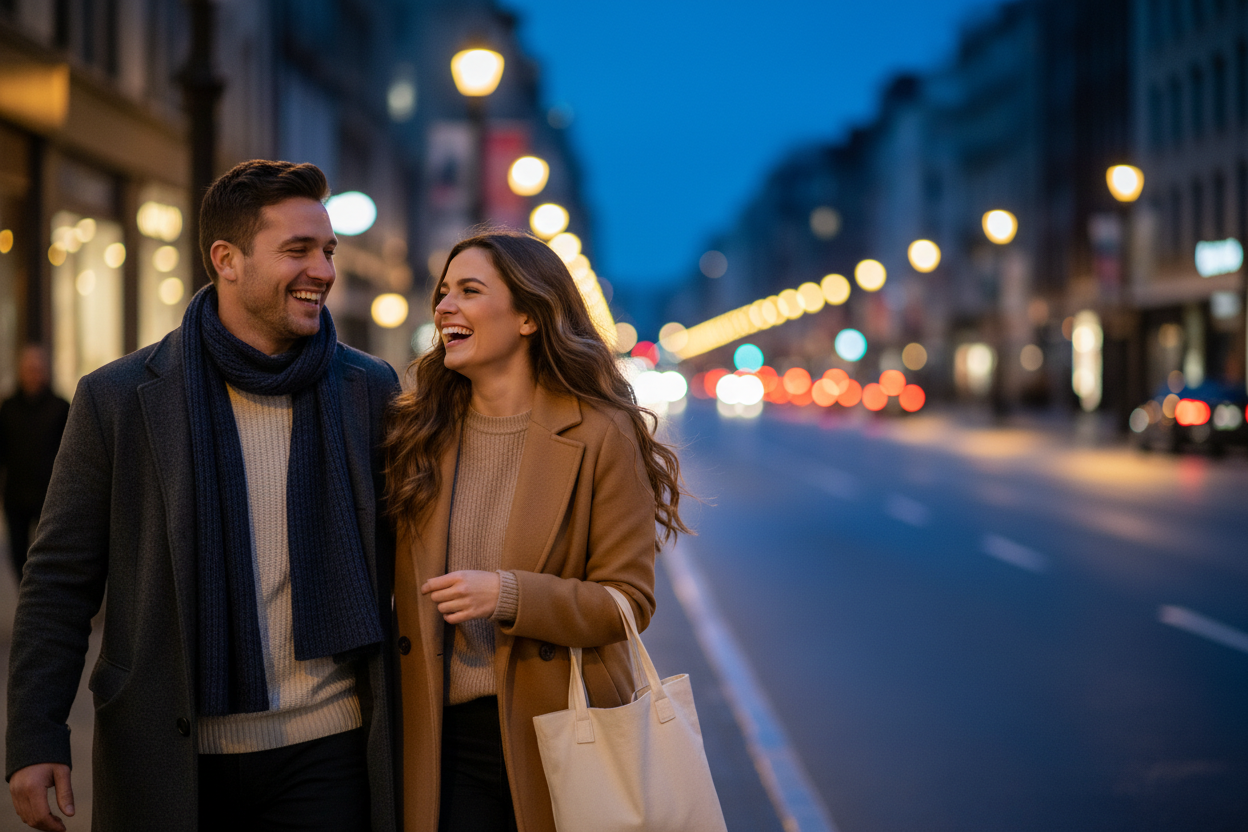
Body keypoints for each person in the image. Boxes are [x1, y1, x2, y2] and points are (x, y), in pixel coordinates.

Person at [6, 160, 400, 832]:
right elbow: (59, 580)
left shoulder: (368, 389)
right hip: (173, 753)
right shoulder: (119, 398)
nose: (324, 270)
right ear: (228, 259)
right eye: (297, 250)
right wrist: (35, 736)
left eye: (327, 250)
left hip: (329, 749)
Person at [384, 229, 689, 832]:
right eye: (443, 292)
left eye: (469, 291)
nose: (445, 306)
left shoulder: (600, 432)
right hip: (437, 737)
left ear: (529, 315)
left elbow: (628, 600)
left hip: (560, 727)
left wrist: (510, 594)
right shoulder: (419, 431)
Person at [0, 345, 70, 581]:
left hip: (49, 498)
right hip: (16, 497)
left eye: (37, 368)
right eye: (29, 368)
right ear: (21, 371)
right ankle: (27, 600)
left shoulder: (61, 407)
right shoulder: (8, 408)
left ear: (46, 371)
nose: (33, 373)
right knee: (18, 554)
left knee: (48, 555)